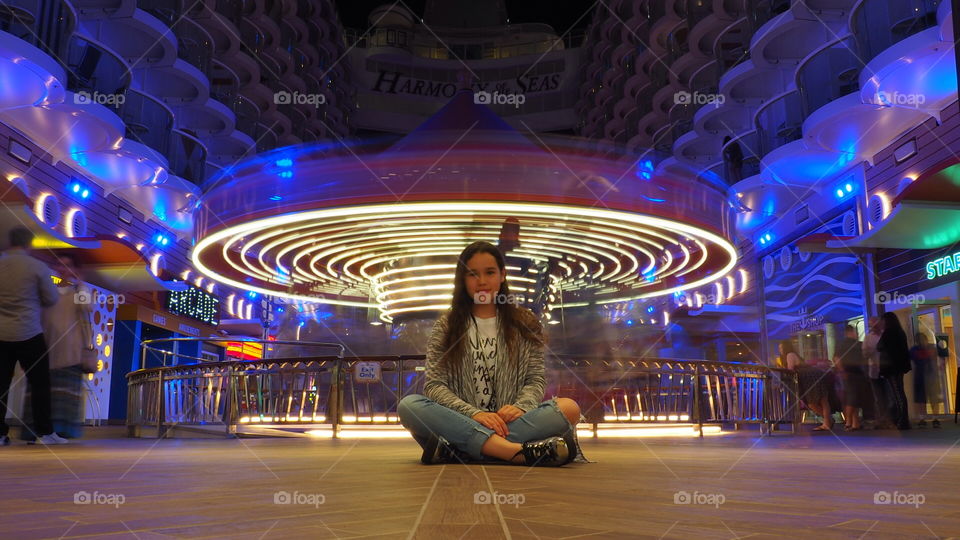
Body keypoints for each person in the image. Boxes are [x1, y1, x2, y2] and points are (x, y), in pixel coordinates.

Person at [398, 241, 581, 466]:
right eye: (473, 274)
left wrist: (520, 407)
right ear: (463, 279)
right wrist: (474, 414)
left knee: (569, 408)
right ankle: (516, 452)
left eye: (490, 272)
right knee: (409, 406)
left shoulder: (525, 322)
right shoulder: (446, 326)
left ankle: (460, 451)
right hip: (461, 418)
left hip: (510, 423)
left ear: (502, 275)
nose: (482, 281)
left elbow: (535, 379)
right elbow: (435, 385)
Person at [0, 227, 67, 445]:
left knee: (1, 384)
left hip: (1, 333)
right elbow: (51, 298)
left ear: (11, 242)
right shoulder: (37, 266)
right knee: (40, 384)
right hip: (29, 332)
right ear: (29, 244)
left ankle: (0, 434)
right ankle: (44, 433)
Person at [21, 253, 96, 440]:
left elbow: (87, 307)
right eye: (60, 264)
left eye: (68, 265)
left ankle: (62, 431)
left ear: (75, 269)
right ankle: (38, 431)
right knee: (41, 391)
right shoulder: (47, 292)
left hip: (71, 350)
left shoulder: (78, 292)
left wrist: (81, 283)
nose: (63, 269)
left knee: (65, 392)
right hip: (45, 347)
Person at [780, 340, 833, 431]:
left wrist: (781, 369)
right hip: (813, 376)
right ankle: (828, 421)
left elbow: (790, 370)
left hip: (810, 378)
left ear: (785, 348)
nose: (780, 350)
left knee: (815, 402)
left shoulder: (790, 355)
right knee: (819, 401)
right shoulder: (794, 355)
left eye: (781, 348)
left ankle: (827, 422)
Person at [876, 312, 911, 430]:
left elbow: (879, 346)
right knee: (900, 392)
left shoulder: (888, 333)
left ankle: (902, 419)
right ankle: (903, 418)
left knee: (897, 393)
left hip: (891, 368)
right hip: (899, 367)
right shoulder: (900, 332)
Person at [834, 325, 868, 431]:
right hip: (854, 373)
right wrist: (843, 371)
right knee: (852, 398)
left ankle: (855, 423)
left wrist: (841, 370)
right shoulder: (857, 344)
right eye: (855, 332)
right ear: (852, 332)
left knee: (852, 398)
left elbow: (836, 358)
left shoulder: (841, 344)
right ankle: (849, 422)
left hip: (847, 373)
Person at [862, 316, 893, 429]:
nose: (874, 327)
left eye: (876, 324)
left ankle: (889, 419)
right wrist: (872, 350)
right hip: (874, 372)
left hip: (887, 370)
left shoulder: (886, 335)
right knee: (879, 397)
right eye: (872, 325)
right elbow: (864, 354)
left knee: (889, 396)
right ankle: (882, 420)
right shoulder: (868, 338)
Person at [909, 333, 942, 428]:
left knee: (925, 399)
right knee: (927, 398)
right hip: (927, 376)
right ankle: (932, 419)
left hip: (924, 376)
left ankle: (925, 419)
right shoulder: (931, 348)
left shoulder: (915, 350)